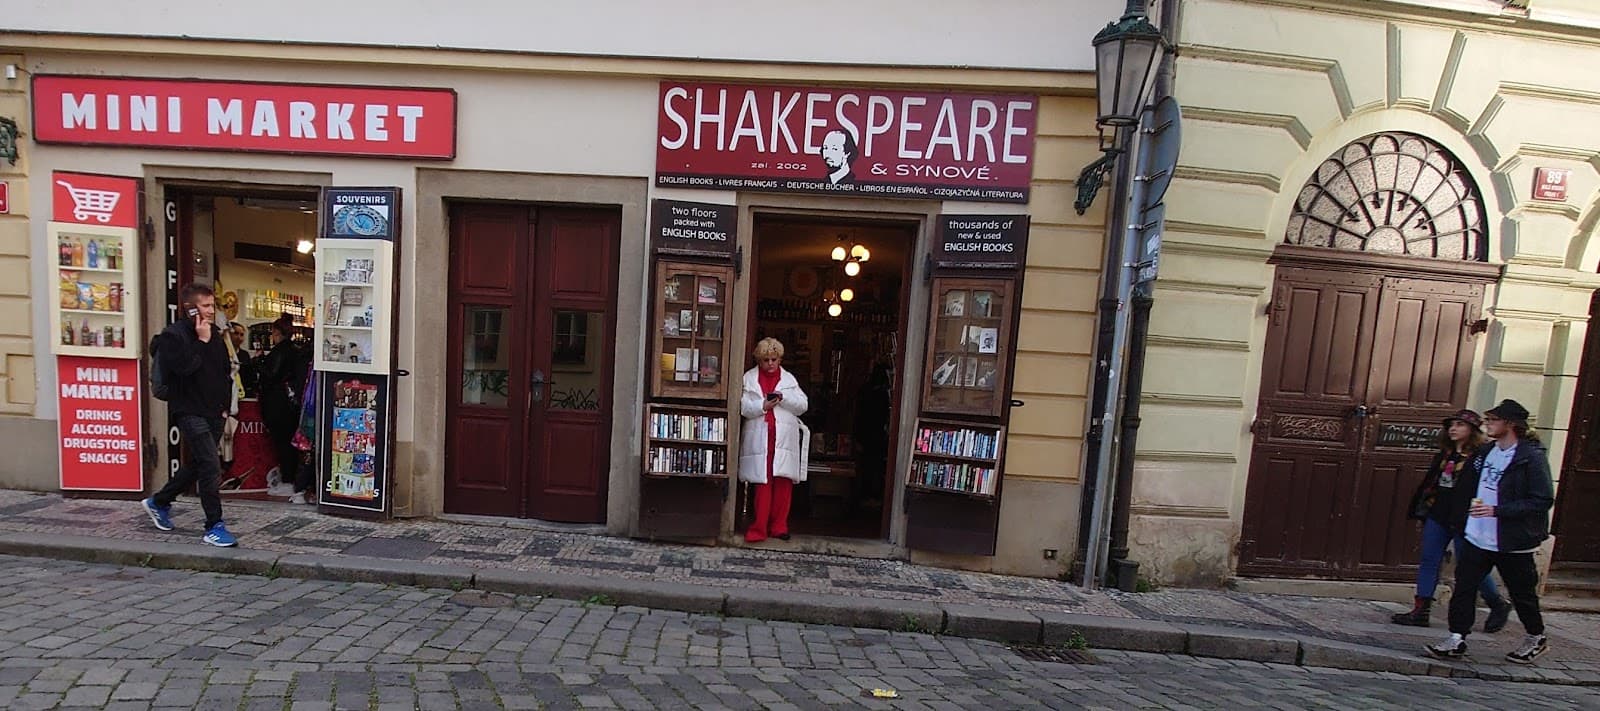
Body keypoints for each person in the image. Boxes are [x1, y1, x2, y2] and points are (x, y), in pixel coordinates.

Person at [1428, 399, 1555, 664]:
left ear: (1511, 425)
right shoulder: (1486, 452)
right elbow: (1468, 486)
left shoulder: (1530, 456)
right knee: (1464, 588)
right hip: (1477, 535)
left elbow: (1542, 499)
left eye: (1494, 420)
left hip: (1512, 540)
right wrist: (1460, 520)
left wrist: (1498, 511)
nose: (1488, 425)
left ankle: (1536, 635)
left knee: (1522, 593)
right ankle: (1456, 638)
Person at [1391, 409, 1512, 629]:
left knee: (1470, 565)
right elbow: (1433, 483)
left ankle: (1497, 603)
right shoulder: (1445, 454)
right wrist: (1423, 508)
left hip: (1466, 517)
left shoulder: (1480, 456)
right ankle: (1421, 609)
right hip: (1438, 513)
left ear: (1472, 430)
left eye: (1460, 425)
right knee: (1429, 559)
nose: (1453, 429)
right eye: (1451, 425)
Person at [141, 283, 238, 547]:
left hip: (214, 411)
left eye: (212, 305)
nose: (210, 311)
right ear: (190, 307)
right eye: (206, 306)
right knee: (210, 464)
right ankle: (214, 525)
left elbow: (222, 372)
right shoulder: (174, 337)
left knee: (198, 463)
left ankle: (159, 501)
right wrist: (202, 342)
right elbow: (186, 368)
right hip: (188, 410)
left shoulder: (216, 334)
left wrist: (224, 407)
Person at [739, 337, 809, 542]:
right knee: (762, 484)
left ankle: (779, 526)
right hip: (761, 437)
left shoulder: (789, 380)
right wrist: (763, 405)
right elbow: (744, 407)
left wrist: (783, 398)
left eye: (774, 359)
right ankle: (759, 528)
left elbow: (803, 405)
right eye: (766, 360)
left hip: (783, 439)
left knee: (783, 483)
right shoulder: (749, 378)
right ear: (759, 361)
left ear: (780, 359)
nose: (770, 364)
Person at [257, 316, 311, 503]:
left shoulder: (280, 352)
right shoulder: (296, 352)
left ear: (276, 333)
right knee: (290, 443)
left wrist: (259, 364)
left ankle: (288, 479)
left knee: (283, 443)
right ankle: (292, 478)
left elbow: (271, 375)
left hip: (279, 404)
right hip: (289, 405)